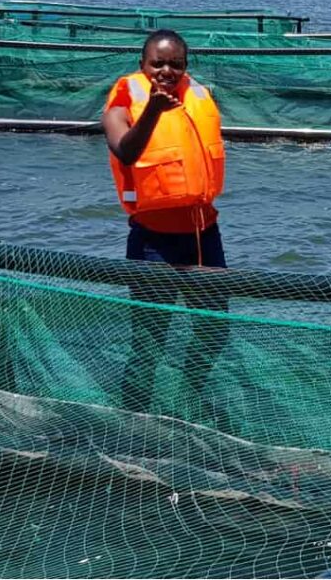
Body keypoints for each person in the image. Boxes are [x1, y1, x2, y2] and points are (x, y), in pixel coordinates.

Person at [102, 29, 229, 413]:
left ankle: (186, 398)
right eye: (158, 63)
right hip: (152, 243)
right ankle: (134, 418)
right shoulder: (123, 103)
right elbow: (125, 151)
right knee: (150, 339)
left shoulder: (199, 96)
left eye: (176, 64)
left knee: (213, 330)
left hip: (204, 234)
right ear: (143, 65)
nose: (166, 71)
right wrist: (155, 110)